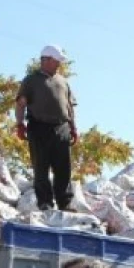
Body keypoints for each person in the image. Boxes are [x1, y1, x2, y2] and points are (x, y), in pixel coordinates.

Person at [15, 45, 78, 211]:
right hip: (39, 126)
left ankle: (65, 202)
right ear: (47, 60)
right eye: (56, 61)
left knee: (63, 168)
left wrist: (73, 127)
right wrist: (20, 124)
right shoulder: (31, 80)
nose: (58, 65)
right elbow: (21, 103)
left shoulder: (63, 81)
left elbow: (70, 106)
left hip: (61, 127)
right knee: (41, 167)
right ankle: (45, 202)